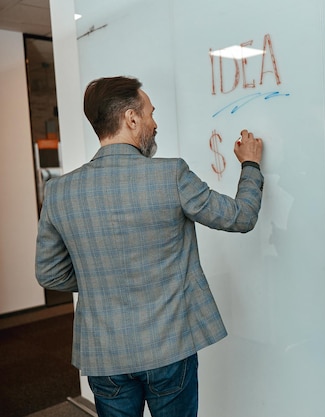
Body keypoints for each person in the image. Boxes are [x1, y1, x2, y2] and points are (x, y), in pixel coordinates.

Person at [35, 76, 264, 417]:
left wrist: (100, 277)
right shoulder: (170, 175)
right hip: (169, 347)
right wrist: (251, 165)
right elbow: (240, 217)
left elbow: (49, 273)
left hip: (104, 354)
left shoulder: (59, 191)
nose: (155, 124)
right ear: (131, 118)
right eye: (150, 113)